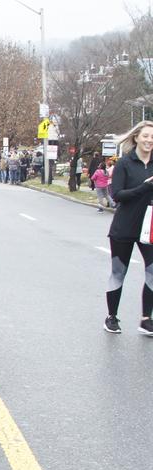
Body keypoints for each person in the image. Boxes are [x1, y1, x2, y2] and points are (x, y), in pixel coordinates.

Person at [103, 120, 153, 336]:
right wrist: (144, 187)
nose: (149, 140)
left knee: (152, 271)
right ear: (136, 138)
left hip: (148, 227)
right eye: (145, 136)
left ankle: (146, 319)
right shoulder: (125, 163)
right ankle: (111, 317)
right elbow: (117, 195)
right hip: (124, 227)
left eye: (152, 137)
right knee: (118, 272)